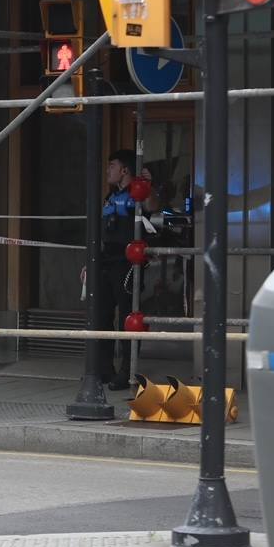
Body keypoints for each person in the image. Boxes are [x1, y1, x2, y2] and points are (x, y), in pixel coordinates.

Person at [99, 149, 157, 391]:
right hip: (106, 261)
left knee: (127, 316)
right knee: (101, 315)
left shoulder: (137, 194)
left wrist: (148, 185)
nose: (108, 171)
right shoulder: (110, 197)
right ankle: (104, 369)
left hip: (128, 263)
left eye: (112, 166)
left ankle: (127, 371)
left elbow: (153, 205)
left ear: (124, 170)